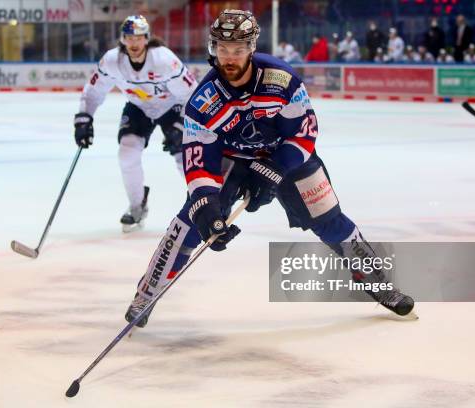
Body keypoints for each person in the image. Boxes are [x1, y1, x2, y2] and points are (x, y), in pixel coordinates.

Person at [124, 9, 415, 328]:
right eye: (222, 49)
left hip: (287, 156)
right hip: (232, 159)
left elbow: (304, 132)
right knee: (192, 219)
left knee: (330, 220)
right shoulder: (203, 101)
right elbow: (198, 157)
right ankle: (147, 293)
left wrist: (275, 170)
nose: (229, 58)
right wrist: (206, 202)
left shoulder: (282, 79)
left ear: (251, 48)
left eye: (237, 50)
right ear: (213, 49)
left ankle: (378, 282)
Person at [74, 15, 197, 232]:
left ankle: (203, 203)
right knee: (127, 152)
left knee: (183, 154)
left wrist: (182, 126)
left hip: (173, 107)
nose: (133, 43)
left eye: (138, 38)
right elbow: (93, 91)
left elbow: (191, 94)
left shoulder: (164, 59)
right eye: (128, 38)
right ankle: (137, 206)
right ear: (122, 39)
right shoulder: (112, 61)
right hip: (139, 107)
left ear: (147, 38)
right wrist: (84, 118)